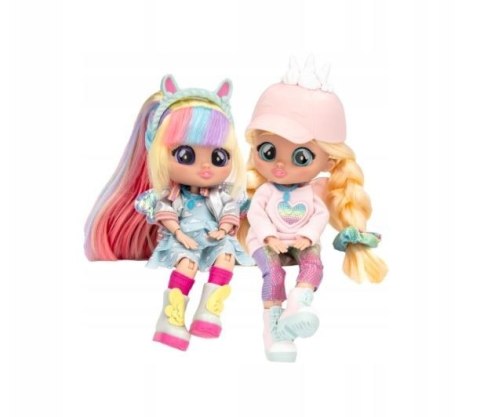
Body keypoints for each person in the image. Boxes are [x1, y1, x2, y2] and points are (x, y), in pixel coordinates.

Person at [85, 75, 252, 351]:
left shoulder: (221, 194)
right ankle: (171, 318)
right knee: (186, 264)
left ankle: (209, 310)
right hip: (182, 238)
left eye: (218, 157)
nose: (206, 167)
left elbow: (230, 211)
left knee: (226, 257)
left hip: (214, 237)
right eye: (186, 155)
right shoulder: (173, 195)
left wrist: (223, 229)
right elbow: (166, 213)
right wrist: (178, 233)